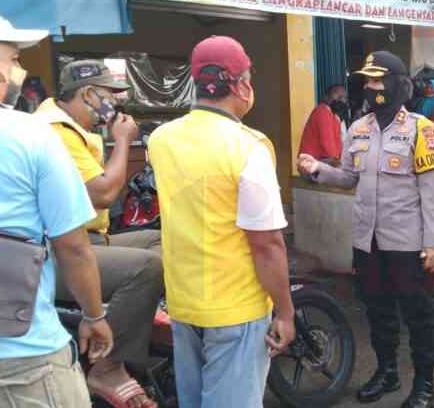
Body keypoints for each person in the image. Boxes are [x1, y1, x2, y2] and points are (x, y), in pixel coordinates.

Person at [0, 2, 113, 408]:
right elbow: (73, 246)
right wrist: (94, 316)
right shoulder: (29, 134)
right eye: (12, 58)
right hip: (21, 360)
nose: (18, 70)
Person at [148, 36, 296, 408]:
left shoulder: (161, 140)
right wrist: (285, 311)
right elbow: (267, 244)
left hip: (184, 304)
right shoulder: (248, 147)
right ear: (241, 85)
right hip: (237, 309)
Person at [298, 51, 434, 408]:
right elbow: (349, 177)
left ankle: (425, 385)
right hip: (368, 242)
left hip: (407, 243)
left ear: (397, 84)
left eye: (378, 81)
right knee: (378, 312)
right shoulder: (359, 128)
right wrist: (318, 169)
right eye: (368, 81)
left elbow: (431, 192)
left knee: (419, 316)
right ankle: (387, 372)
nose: (372, 87)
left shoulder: (420, 129)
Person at [34, 60, 163, 408]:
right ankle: (107, 368)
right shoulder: (56, 131)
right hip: (57, 253)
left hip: (90, 236)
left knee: (158, 241)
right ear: (88, 94)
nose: (114, 105)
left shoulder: (73, 127)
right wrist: (122, 141)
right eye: (109, 96)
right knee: (147, 268)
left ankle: (138, 317)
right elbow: (103, 192)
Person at [299, 84, 348, 165]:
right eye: (337, 94)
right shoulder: (322, 111)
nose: (341, 99)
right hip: (310, 161)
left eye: (344, 97)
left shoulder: (335, 117)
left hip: (321, 160)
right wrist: (337, 162)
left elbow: (339, 143)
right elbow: (327, 144)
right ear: (326, 96)